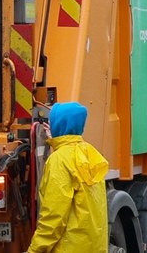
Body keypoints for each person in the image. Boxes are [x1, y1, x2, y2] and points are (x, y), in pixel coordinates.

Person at [27, 101, 109, 253]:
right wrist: (56, 140)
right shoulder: (88, 153)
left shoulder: (59, 160)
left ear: (61, 124)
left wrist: (34, 250)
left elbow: (54, 216)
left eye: (52, 122)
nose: (48, 125)